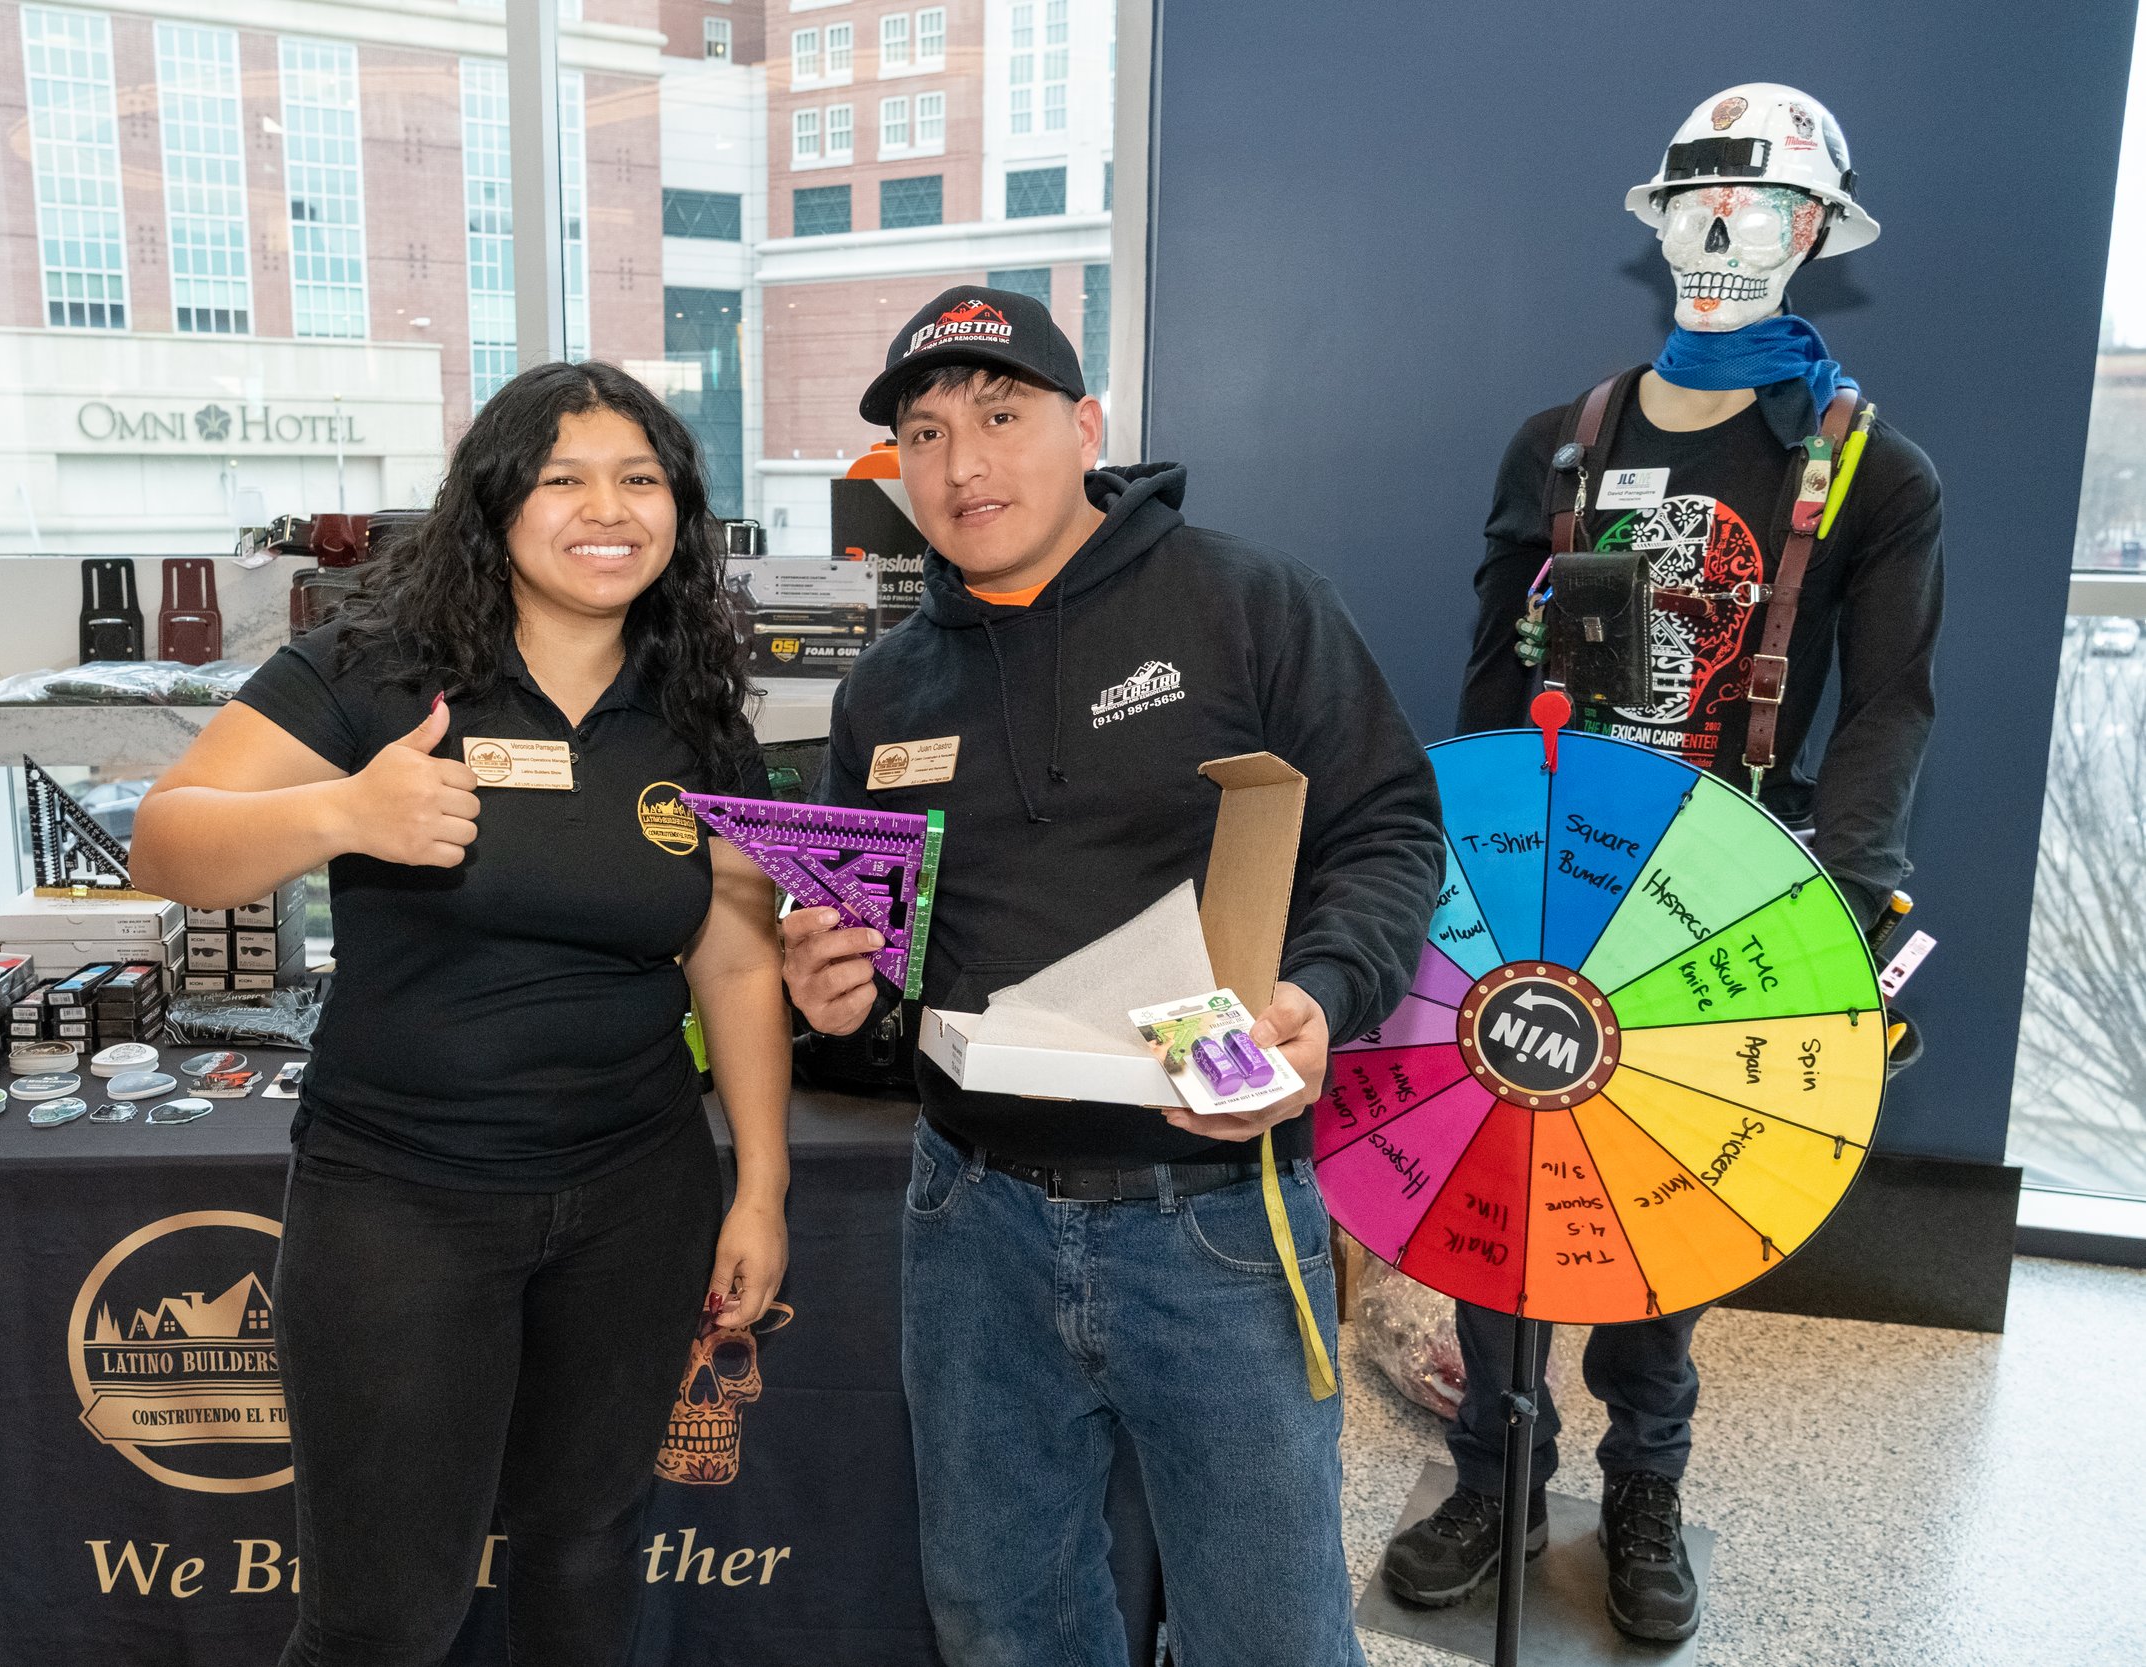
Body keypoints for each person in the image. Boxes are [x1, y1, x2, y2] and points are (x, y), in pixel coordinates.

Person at [783, 285, 1444, 1666]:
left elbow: (1387, 830)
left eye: (1003, 415)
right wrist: (836, 993)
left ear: (1086, 426)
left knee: (1265, 1629)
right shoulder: (886, 695)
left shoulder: (1249, 602)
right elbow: (886, 976)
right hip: (970, 1222)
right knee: (1000, 1615)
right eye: (925, 432)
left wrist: (1321, 995)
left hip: (1212, 1211)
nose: (964, 463)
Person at [1382, 84, 1941, 1644]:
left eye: (1755, 205)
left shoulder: (1868, 470)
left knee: (1662, 1212)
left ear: (1813, 234)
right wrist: (1453, 854)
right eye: (1689, 202)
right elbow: (1496, 676)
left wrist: (1861, 887)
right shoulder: (1564, 444)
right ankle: (1497, 1465)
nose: (1714, 229)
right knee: (1507, 1177)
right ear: (1655, 224)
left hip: (1726, 884)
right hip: (1553, 865)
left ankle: (1646, 1480)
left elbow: (1889, 700)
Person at [129, 360, 792, 1667]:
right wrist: (341, 813)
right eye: (563, 479)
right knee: (385, 1612)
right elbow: (166, 841)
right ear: (494, 507)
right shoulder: (377, 668)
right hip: (405, 1201)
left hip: (636, 1193)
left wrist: (760, 1183)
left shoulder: (696, 704)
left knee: (589, 1548)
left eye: (640, 479)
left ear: (681, 512)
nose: (607, 508)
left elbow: (735, 954)